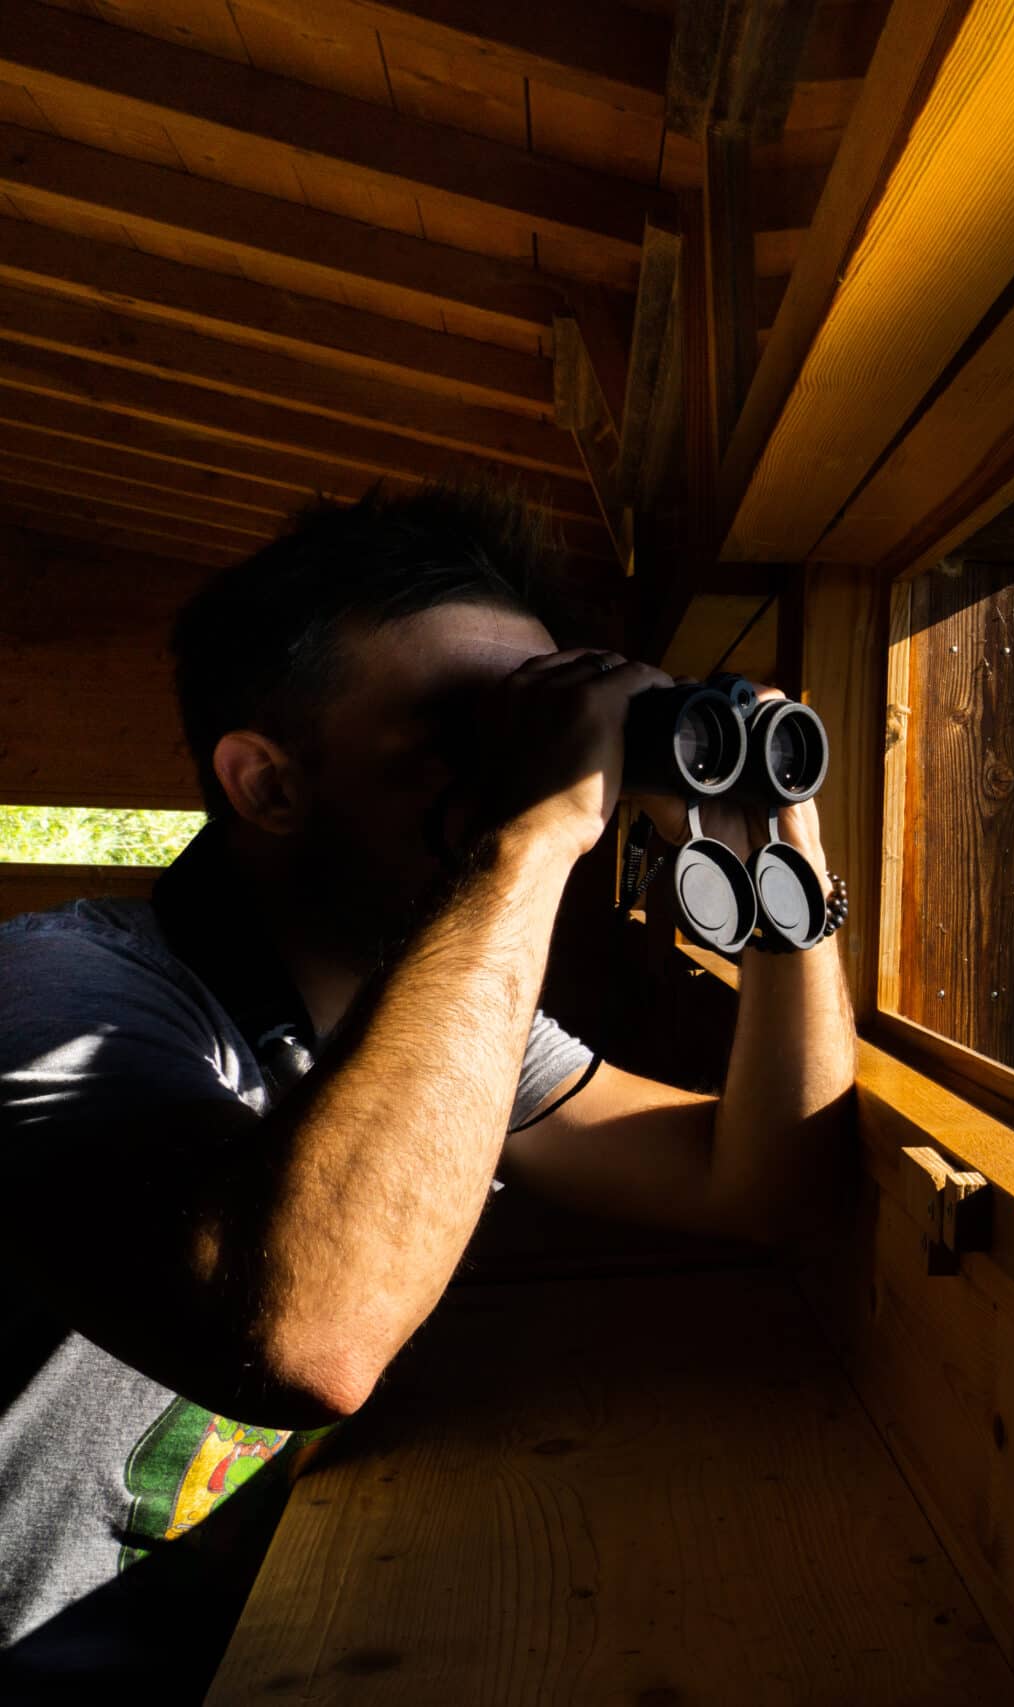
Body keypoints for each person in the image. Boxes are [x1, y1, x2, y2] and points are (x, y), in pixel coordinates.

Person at [0, 485, 855, 1698]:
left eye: (548, 725)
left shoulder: (443, 1035)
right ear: (268, 785)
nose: (545, 772)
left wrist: (775, 843)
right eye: (472, 733)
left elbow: (758, 1179)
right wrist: (530, 839)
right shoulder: (57, 1000)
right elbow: (307, 1339)